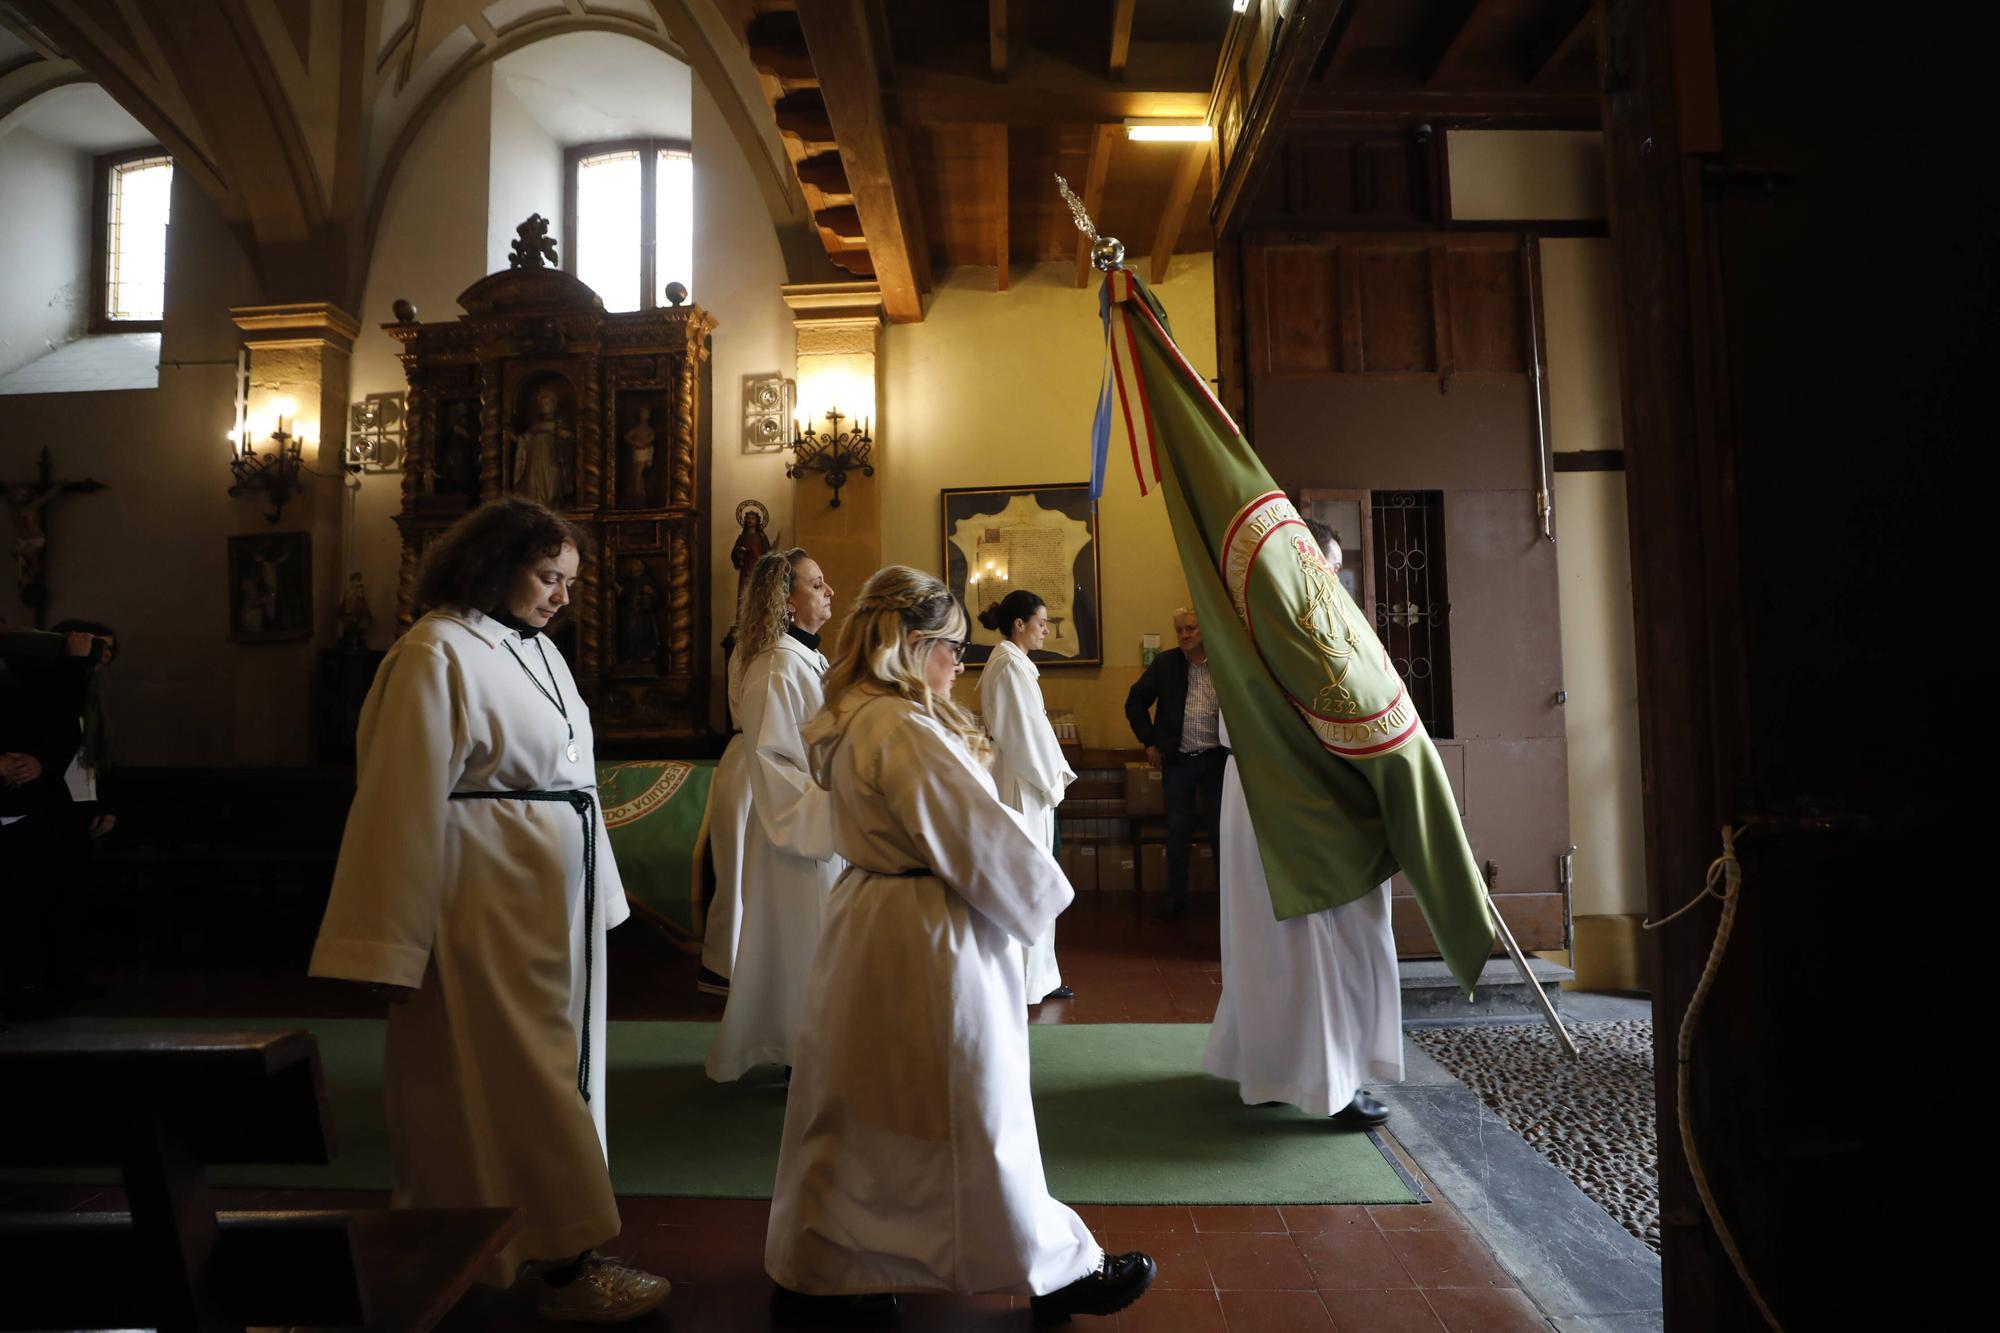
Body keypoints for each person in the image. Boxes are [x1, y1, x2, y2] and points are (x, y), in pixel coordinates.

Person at [307, 497, 669, 1321]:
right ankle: (559, 1261)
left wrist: (601, 897)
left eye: (569, 582)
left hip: (550, 905)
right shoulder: (436, 652)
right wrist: (388, 948)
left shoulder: (529, 650)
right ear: (494, 562)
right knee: (513, 1084)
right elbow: (398, 803)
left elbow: (572, 785)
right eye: (548, 576)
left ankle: (525, 1251)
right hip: (482, 907)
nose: (561, 597)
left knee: (551, 1077)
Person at [764, 565, 1155, 1328]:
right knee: (973, 1101)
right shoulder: (900, 726)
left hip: (876, 918)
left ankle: (834, 1266)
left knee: (868, 1105)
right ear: (911, 644)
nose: (959, 665)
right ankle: (1048, 1262)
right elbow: (974, 836)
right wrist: (1045, 898)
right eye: (950, 649)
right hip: (926, 931)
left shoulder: (858, 712)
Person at [1201, 517, 1398, 1130]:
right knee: (1308, 938)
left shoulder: (1294, 621)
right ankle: (1324, 1082)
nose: (1328, 577)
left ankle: (1274, 1068)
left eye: (1334, 567)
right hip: (1292, 793)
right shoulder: (1280, 627)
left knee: (1289, 937)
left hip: (1285, 792)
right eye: (1320, 564)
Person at [705, 548, 841, 1081]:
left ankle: (813, 1051)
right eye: (817, 584)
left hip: (820, 823)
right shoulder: (776, 665)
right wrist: (827, 814)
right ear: (787, 601)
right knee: (801, 947)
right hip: (801, 834)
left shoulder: (804, 657)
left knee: (810, 947)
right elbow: (774, 760)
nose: (829, 592)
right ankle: (802, 1054)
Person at [976, 589, 1077, 1004]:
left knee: (1035, 878)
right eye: (1042, 622)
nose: (1046, 630)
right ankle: (1025, 978)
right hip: (1023, 784)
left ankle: (1041, 975)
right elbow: (1023, 736)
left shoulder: (1014, 664)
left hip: (1027, 781)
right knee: (1027, 878)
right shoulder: (1009, 667)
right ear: (1019, 625)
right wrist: (1053, 781)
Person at [1123, 608, 1227, 922]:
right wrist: (1149, 742)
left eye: (1191, 629)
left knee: (1221, 831)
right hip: (1179, 760)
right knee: (1178, 831)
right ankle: (1175, 899)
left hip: (1217, 761)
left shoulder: (1223, 663)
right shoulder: (1166, 664)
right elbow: (1135, 701)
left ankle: (1228, 901)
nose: (1184, 635)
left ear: (1204, 630)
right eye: (1179, 630)